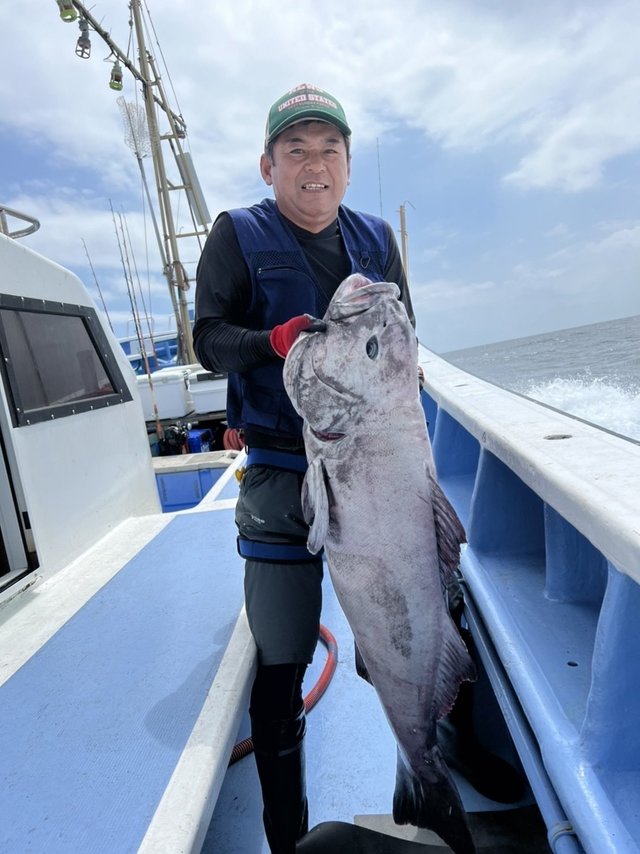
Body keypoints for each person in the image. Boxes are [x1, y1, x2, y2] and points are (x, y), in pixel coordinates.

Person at [193, 83, 415, 854]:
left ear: (349, 167)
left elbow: (404, 341)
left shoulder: (376, 240)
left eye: (329, 151)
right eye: (296, 150)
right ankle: (286, 839)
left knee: (416, 624)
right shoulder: (237, 235)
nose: (313, 165)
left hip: (371, 468)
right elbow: (208, 338)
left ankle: (427, 778)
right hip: (283, 471)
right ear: (268, 164)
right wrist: (270, 342)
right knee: (283, 659)